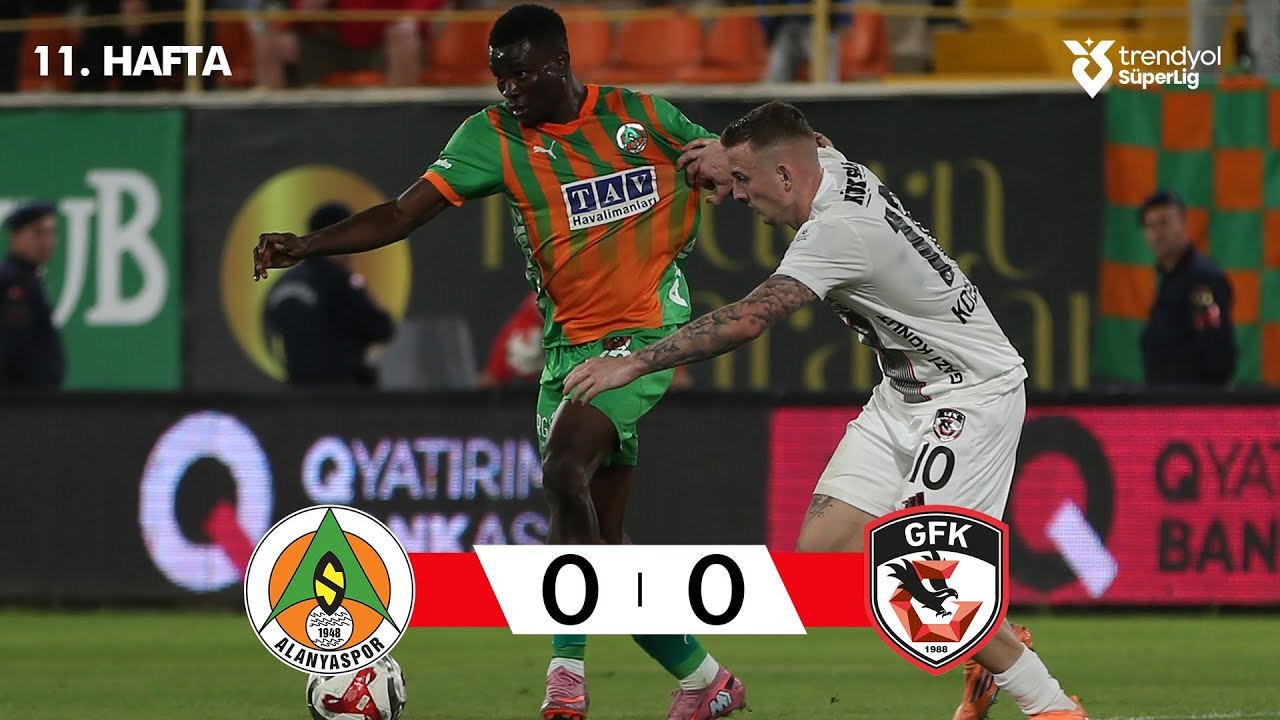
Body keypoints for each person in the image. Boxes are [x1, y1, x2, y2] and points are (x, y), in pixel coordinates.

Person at [252, 5, 746, 719]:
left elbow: (727, 160)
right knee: (603, 544)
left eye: (521, 74)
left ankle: (565, 676)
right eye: (499, 77)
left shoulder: (642, 117)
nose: (509, 89)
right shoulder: (492, 137)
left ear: (560, 63)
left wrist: (750, 162)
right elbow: (400, 214)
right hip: (566, 350)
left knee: (563, 468)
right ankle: (706, 680)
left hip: (645, 336)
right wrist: (306, 246)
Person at [562, 101, 1091, 720]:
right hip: (902, 396)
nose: (738, 195)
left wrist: (633, 363)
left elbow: (749, 319)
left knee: (928, 599)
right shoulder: (831, 166)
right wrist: (727, 156)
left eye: (745, 182)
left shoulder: (837, 232)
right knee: (821, 560)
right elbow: (805, 135)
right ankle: (989, 647)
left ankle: (1051, 706)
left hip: (970, 398)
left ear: (786, 176)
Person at [263, 202, 396, 388]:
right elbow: (379, 328)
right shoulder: (338, 281)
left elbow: (270, 334)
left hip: (297, 391)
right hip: (341, 393)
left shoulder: (282, 283)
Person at [1137, 190, 1237, 387]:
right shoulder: (1170, 278)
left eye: (1165, 223)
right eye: (1150, 226)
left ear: (1183, 224)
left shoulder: (1201, 280)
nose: (1157, 234)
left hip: (1192, 399)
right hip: (1166, 396)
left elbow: (1217, 351)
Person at [1, 202, 64, 389]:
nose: (47, 241)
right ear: (16, 236)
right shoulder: (13, 284)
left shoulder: (29, 280)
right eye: (38, 233)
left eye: (51, 233)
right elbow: (12, 347)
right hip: (19, 400)